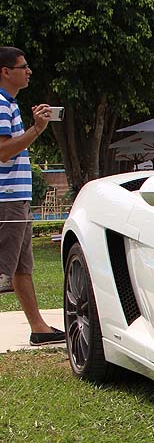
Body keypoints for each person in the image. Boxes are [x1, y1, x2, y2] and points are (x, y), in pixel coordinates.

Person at [0, 47, 63, 345]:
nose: (29, 71)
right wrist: (37, 129)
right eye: (23, 67)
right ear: (5, 71)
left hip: (17, 198)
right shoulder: (1, 105)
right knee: (3, 272)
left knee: (21, 268)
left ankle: (39, 328)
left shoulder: (10, 105)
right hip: (7, 200)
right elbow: (3, 151)